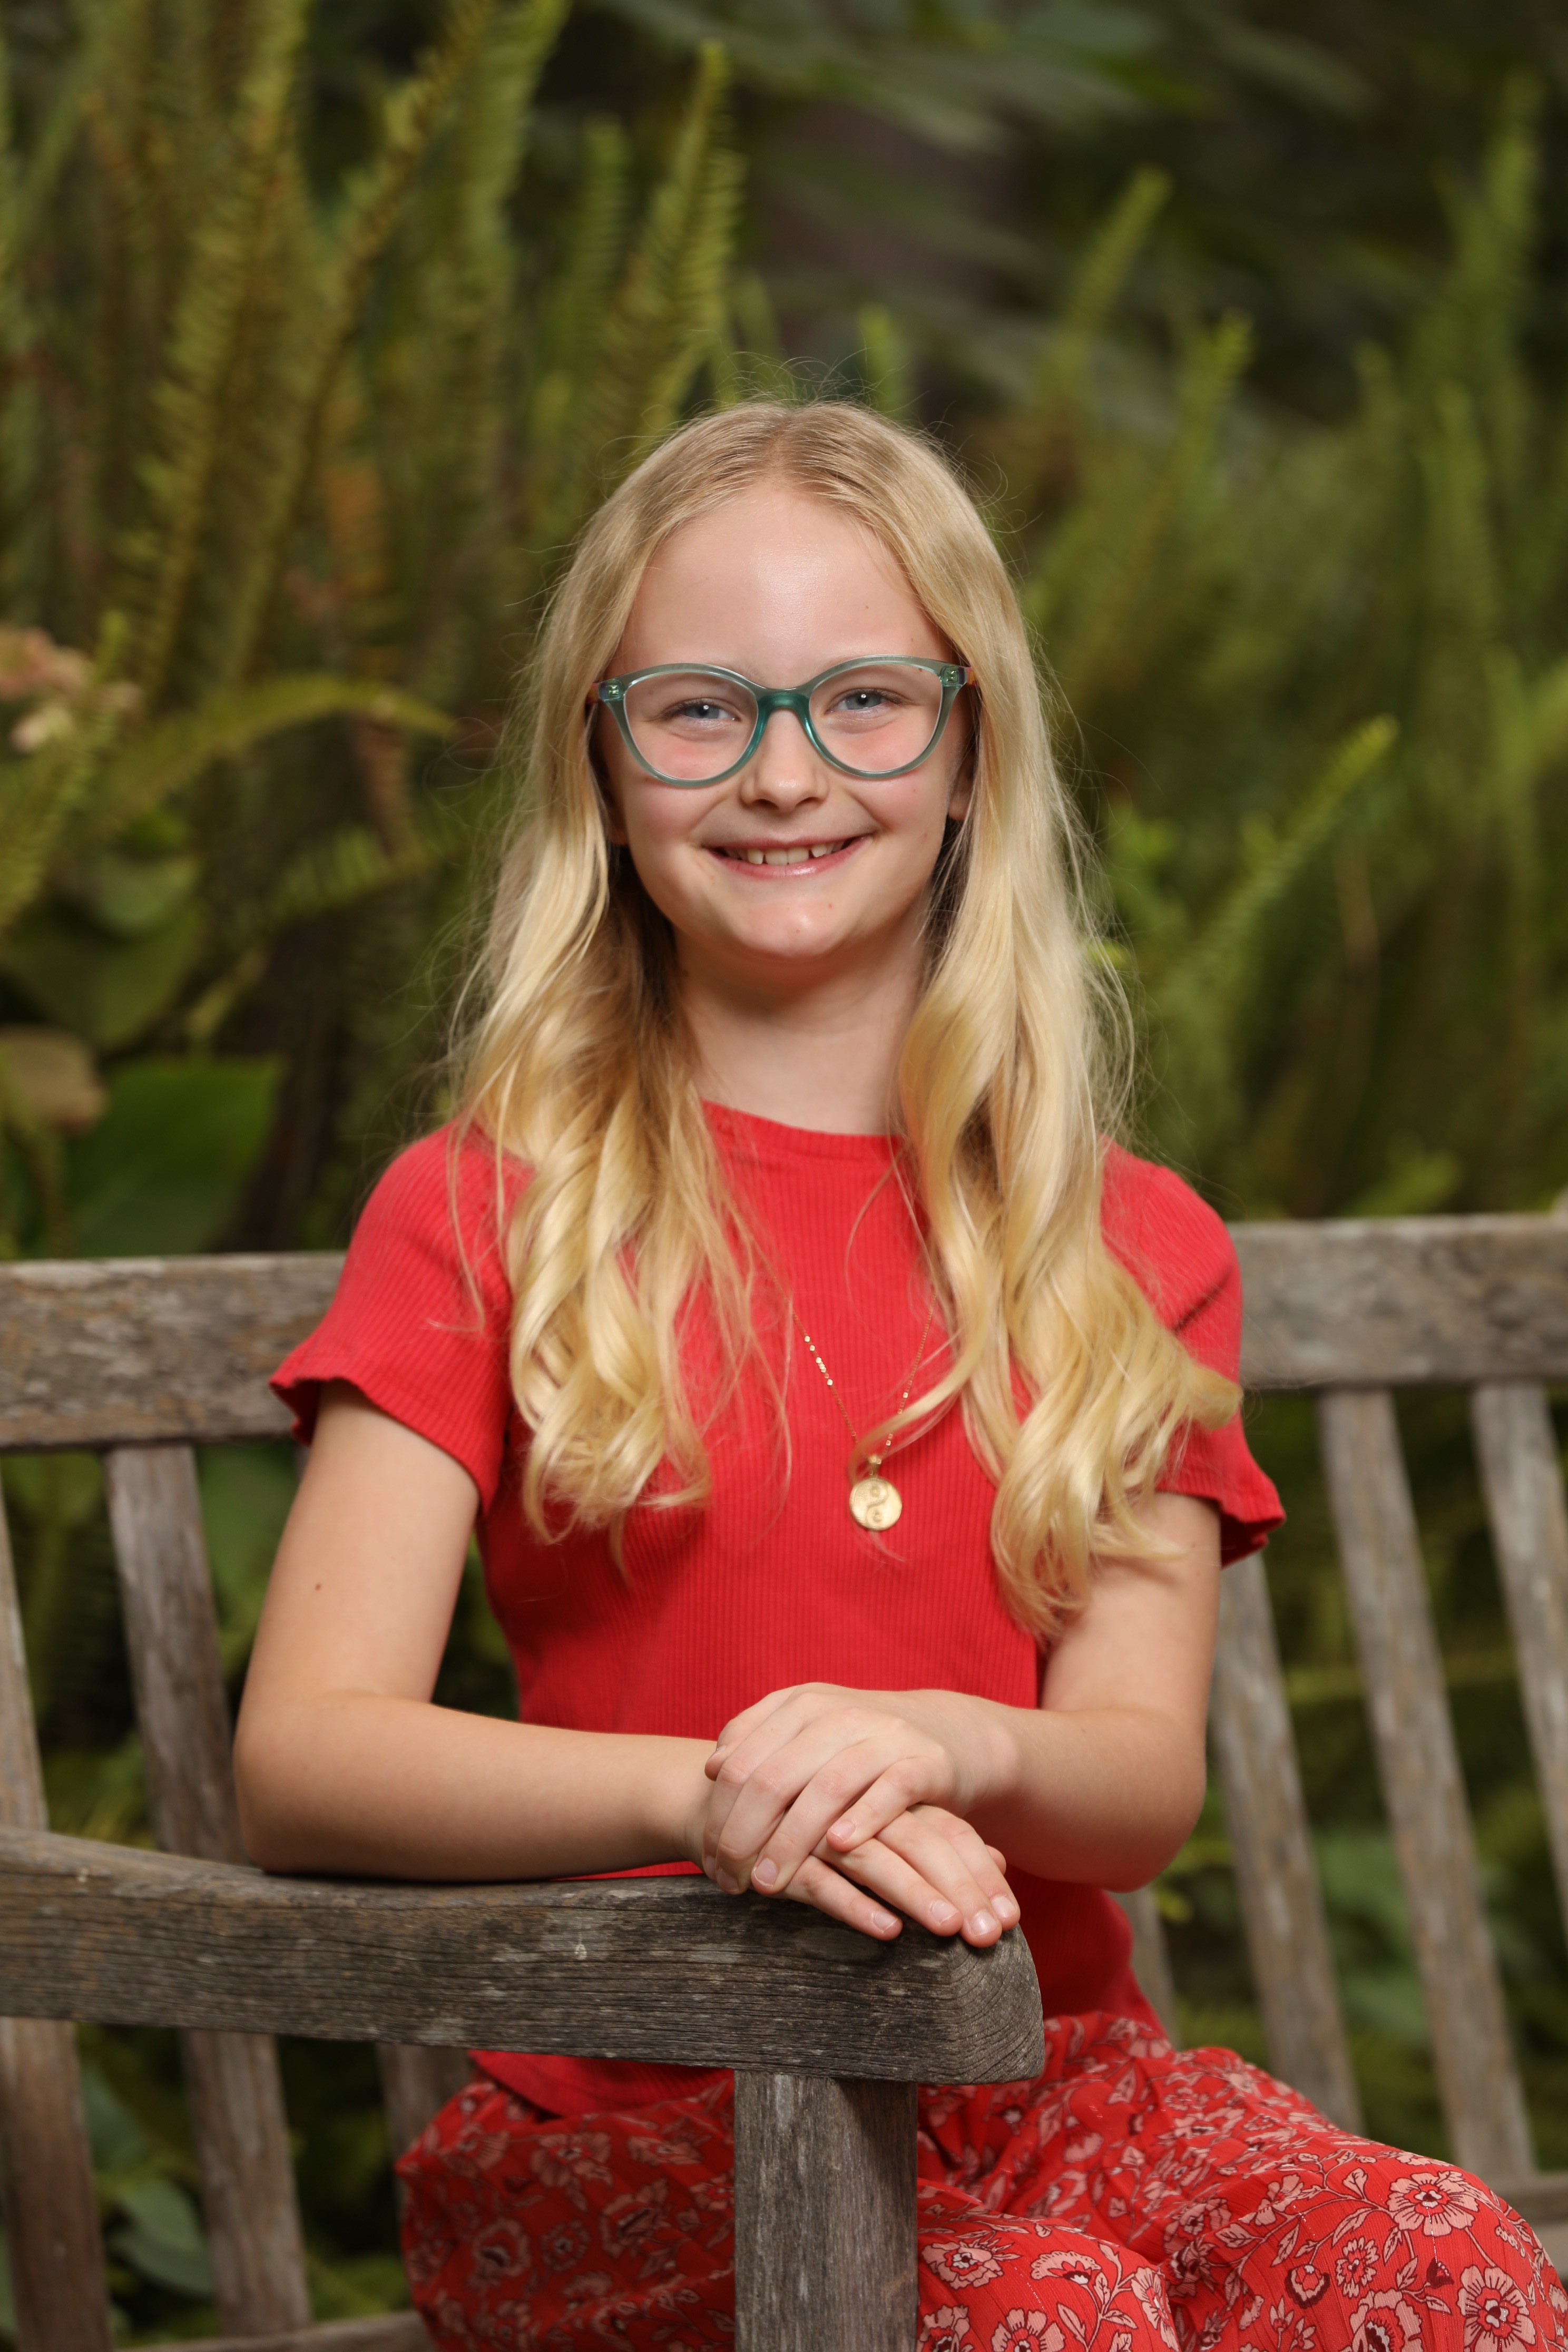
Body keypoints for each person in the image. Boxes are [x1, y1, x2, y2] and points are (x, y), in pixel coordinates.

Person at [235, 400, 1562, 2352]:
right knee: (1039, 2317)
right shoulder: (489, 1210)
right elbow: (305, 1755)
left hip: (1033, 2088)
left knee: (1440, 2264)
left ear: (969, 755)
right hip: (636, 2132)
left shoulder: (1126, 1250)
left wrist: (951, 1740)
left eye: (864, 701)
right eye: (699, 709)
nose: (783, 771)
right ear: (601, 765)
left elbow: (1133, 1784)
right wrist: (725, 1795)